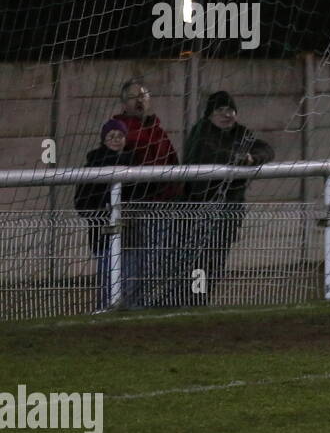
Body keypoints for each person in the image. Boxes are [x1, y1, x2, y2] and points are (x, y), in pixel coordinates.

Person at [183, 91, 275, 305]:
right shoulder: (201, 133)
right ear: (210, 114)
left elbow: (267, 149)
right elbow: (206, 154)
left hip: (228, 210)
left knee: (216, 258)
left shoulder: (242, 133)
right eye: (220, 110)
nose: (226, 115)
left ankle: (201, 299)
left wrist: (252, 158)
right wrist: (236, 158)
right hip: (199, 209)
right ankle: (192, 299)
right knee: (197, 258)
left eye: (230, 110)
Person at [115, 79, 182, 307]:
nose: (140, 100)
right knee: (132, 263)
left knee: (156, 262)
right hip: (132, 210)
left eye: (144, 95)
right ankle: (127, 305)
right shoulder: (119, 130)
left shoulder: (159, 132)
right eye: (134, 96)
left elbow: (173, 164)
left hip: (160, 209)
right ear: (124, 104)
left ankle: (147, 306)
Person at [73, 118, 135, 311]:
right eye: (111, 136)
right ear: (103, 139)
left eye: (120, 135)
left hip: (131, 235)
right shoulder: (92, 166)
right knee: (108, 278)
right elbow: (81, 203)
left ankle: (127, 311)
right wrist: (102, 215)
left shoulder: (135, 164)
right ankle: (106, 310)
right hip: (102, 236)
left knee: (131, 277)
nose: (116, 139)